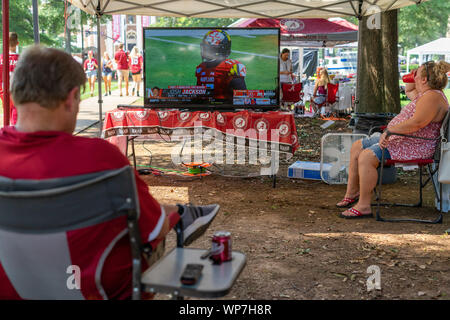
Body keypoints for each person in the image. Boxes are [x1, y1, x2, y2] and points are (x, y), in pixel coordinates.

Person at [0, 45, 220, 299]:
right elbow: (152, 231)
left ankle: (180, 213)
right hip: (96, 292)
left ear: (14, 96)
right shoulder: (101, 158)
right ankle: (182, 213)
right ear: (71, 99)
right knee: (147, 226)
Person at [337, 60, 450, 219]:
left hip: (414, 144)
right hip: (403, 139)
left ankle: (363, 205)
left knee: (367, 156)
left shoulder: (432, 97)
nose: (414, 76)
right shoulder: (425, 94)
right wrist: (415, 74)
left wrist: (390, 130)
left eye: (416, 74)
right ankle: (353, 192)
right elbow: (408, 89)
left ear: (424, 80)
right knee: (357, 146)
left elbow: (417, 123)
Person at [195, 29, 246, 103]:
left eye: (210, 49)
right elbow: (199, 96)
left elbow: (242, 99)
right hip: (205, 109)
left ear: (222, 49)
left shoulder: (232, 67)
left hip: (226, 110)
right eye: (205, 48)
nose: (206, 52)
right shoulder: (201, 68)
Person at [0, 32, 20, 125]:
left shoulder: (1, 58)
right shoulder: (21, 59)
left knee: (7, 111)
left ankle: (7, 130)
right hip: (17, 90)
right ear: (17, 43)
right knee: (16, 111)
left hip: (3, 90)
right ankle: (14, 129)